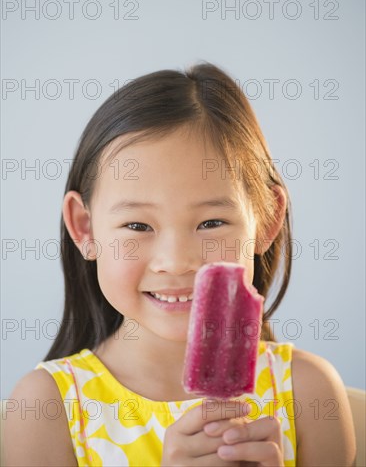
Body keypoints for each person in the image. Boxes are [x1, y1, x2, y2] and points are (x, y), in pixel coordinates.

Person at [4, 62, 356, 466]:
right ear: (85, 228)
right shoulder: (48, 409)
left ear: (267, 220)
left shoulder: (307, 394)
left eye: (211, 223)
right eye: (137, 225)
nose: (175, 262)